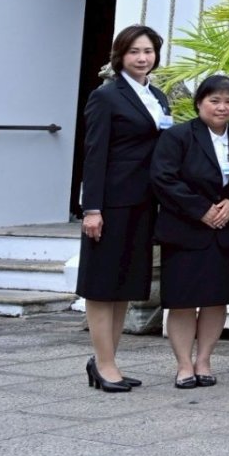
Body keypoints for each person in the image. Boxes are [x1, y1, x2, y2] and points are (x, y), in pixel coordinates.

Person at [77, 24, 170, 392]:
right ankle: (104, 363)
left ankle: (106, 359)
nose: (142, 58)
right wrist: (92, 208)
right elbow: (95, 153)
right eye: (134, 52)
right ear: (120, 56)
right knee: (102, 285)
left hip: (144, 202)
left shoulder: (158, 97)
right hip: (111, 203)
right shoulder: (107, 96)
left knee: (123, 286)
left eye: (148, 51)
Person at [151, 74, 229, 389]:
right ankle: (183, 365)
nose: (222, 107)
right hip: (185, 230)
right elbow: (164, 179)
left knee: (215, 300)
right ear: (199, 103)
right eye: (214, 100)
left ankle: (204, 360)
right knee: (182, 300)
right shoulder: (178, 136)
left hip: (224, 232)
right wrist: (201, 210)